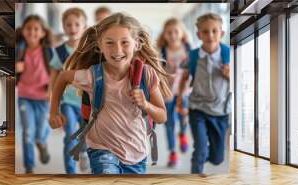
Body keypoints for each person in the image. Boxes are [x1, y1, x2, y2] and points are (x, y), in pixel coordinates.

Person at [49, 13, 172, 174]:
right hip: (102, 149)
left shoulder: (146, 75)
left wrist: (146, 105)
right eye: (109, 43)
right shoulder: (93, 75)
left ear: (137, 43)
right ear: (99, 45)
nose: (117, 50)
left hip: (136, 153)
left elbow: (162, 117)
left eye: (125, 42)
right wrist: (53, 111)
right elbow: (63, 76)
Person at [177, 13, 230, 176]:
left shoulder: (228, 55)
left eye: (214, 31)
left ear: (222, 33)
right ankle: (196, 175)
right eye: (205, 32)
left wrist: (229, 75)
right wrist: (180, 97)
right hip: (197, 108)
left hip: (220, 111)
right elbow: (184, 79)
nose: (210, 35)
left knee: (217, 158)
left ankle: (205, 155)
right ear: (199, 34)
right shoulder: (193, 56)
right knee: (199, 149)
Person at [49, 8, 88, 174]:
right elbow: (54, 77)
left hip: (87, 102)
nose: (72, 27)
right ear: (63, 27)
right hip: (68, 103)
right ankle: (70, 173)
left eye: (76, 24)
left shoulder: (89, 50)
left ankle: (84, 153)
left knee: (87, 136)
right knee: (70, 137)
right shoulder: (60, 51)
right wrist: (54, 104)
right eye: (68, 24)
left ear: (84, 26)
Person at [15, 15, 53, 174]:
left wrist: (52, 90)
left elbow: (55, 72)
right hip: (25, 95)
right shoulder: (19, 49)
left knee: (40, 131)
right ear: (23, 31)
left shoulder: (47, 51)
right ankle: (29, 166)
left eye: (36, 29)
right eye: (28, 28)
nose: (32, 32)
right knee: (28, 131)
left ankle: (42, 144)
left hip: (43, 96)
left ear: (43, 32)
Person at [157, 18, 192, 168]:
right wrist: (167, 75)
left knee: (183, 118)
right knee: (169, 123)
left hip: (184, 92)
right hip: (168, 93)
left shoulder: (188, 49)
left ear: (182, 33)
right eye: (169, 32)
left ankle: (183, 134)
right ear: (164, 35)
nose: (172, 35)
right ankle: (172, 152)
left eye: (175, 31)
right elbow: (158, 72)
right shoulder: (162, 51)